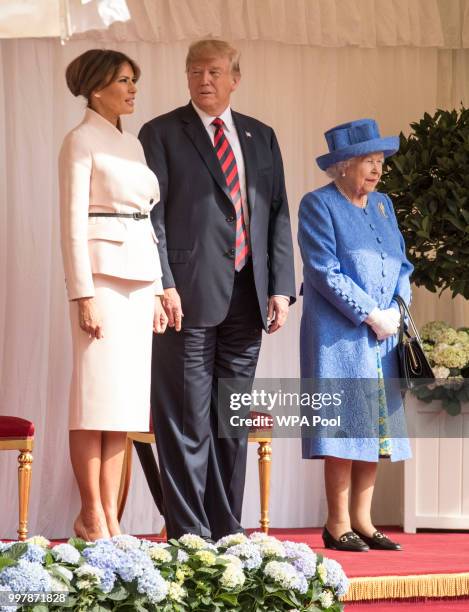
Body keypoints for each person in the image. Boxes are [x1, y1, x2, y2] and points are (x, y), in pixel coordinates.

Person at [138, 39, 296, 541]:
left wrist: (281, 288)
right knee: (186, 419)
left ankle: (226, 530)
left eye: (213, 71)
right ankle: (188, 532)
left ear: (234, 78)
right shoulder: (160, 133)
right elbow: (151, 218)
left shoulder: (261, 135)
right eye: (193, 71)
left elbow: (276, 212)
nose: (203, 79)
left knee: (230, 419)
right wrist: (164, 282)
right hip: (184, 296)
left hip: (249, 297)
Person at [59, 49, 167, 541]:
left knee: (123, 405)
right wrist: (82, 294)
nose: (132, 89)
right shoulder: (79, 141)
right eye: (124, 80)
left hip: (139, 278)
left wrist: (161, 288)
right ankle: (91, 513)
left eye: (133, 80)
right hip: (100, 280)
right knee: (92, 399)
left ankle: (111, 516)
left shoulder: (134, 145)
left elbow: (148, 221)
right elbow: (71, 225)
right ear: (97, 86)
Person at [298, 119, 413, 552]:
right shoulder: (318, 204)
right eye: (368, 161)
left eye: (380, 161)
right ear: (343, 166)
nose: (377, 170)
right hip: (339, 335)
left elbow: (403, 264)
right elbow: (323, 270)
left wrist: (397, 310)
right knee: (344, 427)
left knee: (376, 427)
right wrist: (369, 314)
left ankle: (364, 522)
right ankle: (336, 522)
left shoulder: (383, 204)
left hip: (384, 333)